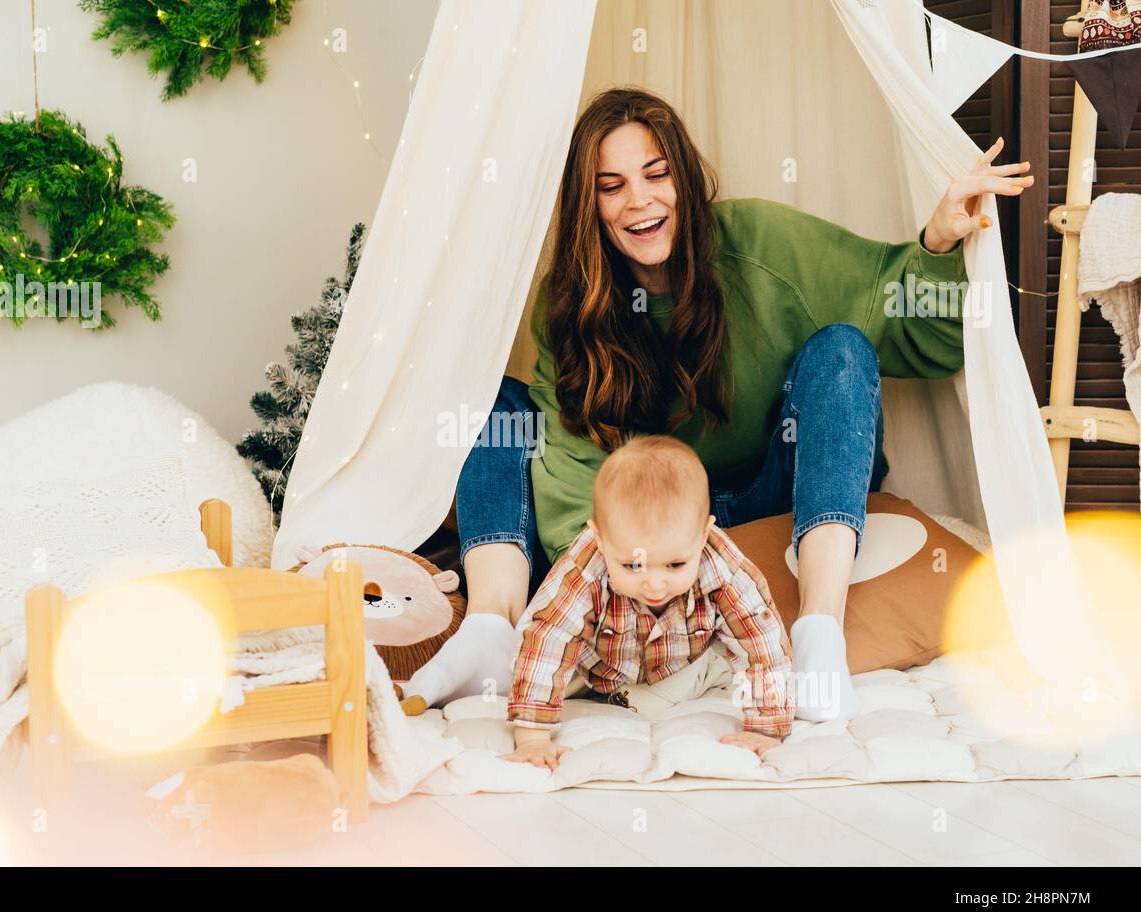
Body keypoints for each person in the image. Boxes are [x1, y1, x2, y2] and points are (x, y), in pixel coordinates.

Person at [399, 86, 1033, 714]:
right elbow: (568, 461)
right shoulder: (573, 301)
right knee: (496, 402)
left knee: (842, 348)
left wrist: (941, 241)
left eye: (656, 174)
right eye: (612, 185)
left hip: (772, 500)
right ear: (589, 204)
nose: (639, 202)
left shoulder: (761, 242)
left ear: (684, 177)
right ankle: (490, 628)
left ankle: (819, 633)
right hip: (645, 534)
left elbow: (919, 332)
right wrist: (614, 574)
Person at [502, 435, 804, 769]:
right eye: (633, 566)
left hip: (682, 662)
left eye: (675, 565)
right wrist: (532, 736)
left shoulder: (720, 564)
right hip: (595, 666)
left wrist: (765, 726)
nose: (656, 584)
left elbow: (758, 638)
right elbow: (549, 636)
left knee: (730, 659)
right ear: (601, 539)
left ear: (703, 536)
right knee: (535, 660)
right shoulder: (586, 566)